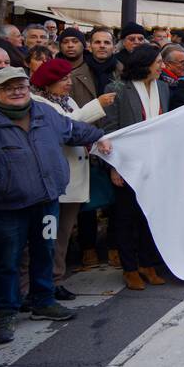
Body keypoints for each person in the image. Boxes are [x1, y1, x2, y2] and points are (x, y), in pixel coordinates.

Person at [0, 68, 109, 344]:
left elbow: (74, 130)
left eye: (21, 85)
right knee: (9, 260)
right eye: (9, 87)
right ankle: (5, 311)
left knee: (45, 251)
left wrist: (98, 135)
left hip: (46, 201)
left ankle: (43, 300)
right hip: (8, 206)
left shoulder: (46, 114)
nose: (17, 91)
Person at [30, 58, 116, 299]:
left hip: (74, 179)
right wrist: (95, 106)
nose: (68, 83)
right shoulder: (39, 103)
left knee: (63, 235)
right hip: (55, 181)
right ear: (48, 83)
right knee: (48, 236)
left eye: (68, 78)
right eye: (63, 79)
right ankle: (42, 285)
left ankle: (55, 280)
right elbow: (68, 128)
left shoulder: (66, 100)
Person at [103, 46, 170, 290]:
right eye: (159, 62)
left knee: (150, 216)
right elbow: (110, 129)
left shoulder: (163, 87)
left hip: (156, 163)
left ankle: (148, 263)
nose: (162, 65)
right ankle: (129, 268)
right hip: (127, 164)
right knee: (125, 218)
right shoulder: (117, 89)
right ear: (144, 63)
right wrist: (115, 167)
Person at [70, 27, 120, 120]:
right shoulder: (74, 77)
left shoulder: (125, 74)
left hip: (117, 130)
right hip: (87, 129)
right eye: (97, 42)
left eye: (107, 42)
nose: (102, 46)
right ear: (89, 47)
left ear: (114, 48)